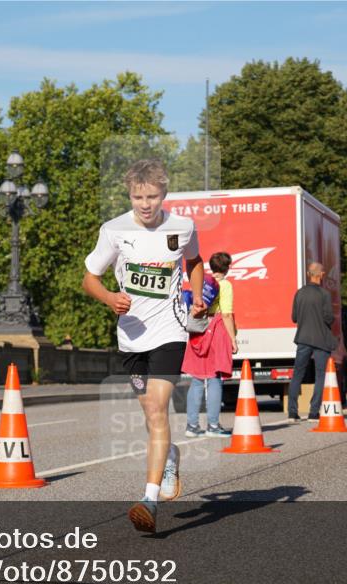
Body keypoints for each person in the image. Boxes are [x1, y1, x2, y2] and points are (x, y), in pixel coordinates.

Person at [82, 159, 204, 533]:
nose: (145, 204)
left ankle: (149, 500)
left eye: (151, 197)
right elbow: (90, 278)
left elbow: (195, 261)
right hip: (131, 338)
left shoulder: (182, 227)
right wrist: (109, 298)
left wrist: (197, 296)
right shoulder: (114, 230)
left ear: (163, 194)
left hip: (169, 331)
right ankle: (170, 456)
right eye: (138, 197)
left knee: (156, 407)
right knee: (151, 415)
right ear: (130, 195)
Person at [183, 252, 238, 438]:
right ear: (227, 268)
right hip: (216, 330)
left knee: (197, 379)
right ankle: (213, 425)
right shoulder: (225, 285)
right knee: (214, 378)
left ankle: (192, 426)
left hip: (198, 329)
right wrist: (233, 339)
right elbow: (226, 314)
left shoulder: (202, 282)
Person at [287, 262, 338, 423]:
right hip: (321, 340)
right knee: (320, 375)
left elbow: (294, 317)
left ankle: (292, 413)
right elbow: (328, 317)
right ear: (321, 274)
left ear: (309, 274)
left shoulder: (299, 293)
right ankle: (313, 412)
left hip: (303, 339)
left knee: (297, 374)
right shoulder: (324, 294)